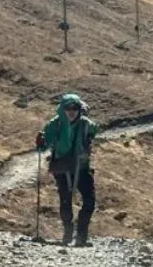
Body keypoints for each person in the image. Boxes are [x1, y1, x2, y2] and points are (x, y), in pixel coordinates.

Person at [36, 93, 99, 247]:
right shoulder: (54, 125)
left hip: (82, 167)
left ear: (79, 109)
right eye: (68, 108)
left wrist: (89, 137)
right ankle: (68, 233)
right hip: (63, 168)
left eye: (75, 108)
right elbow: (44, 147)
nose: (72, 111)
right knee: (65, 200)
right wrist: (41, 142)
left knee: (89, 201)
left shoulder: (85, 123)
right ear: (62, 109)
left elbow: (95, 129)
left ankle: (81, 236)